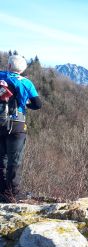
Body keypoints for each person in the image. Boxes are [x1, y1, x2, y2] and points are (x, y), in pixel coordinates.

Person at [0, 55, 42, 203]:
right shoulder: (26, 82)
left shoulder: (1, 75)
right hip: (17, 123)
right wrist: (25, 105)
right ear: (22, 69)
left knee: (1, 159)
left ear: (9, 66)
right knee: (14, 160)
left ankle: (1, 190)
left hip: (0, 122)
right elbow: (38, 104)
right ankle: (12, 194)